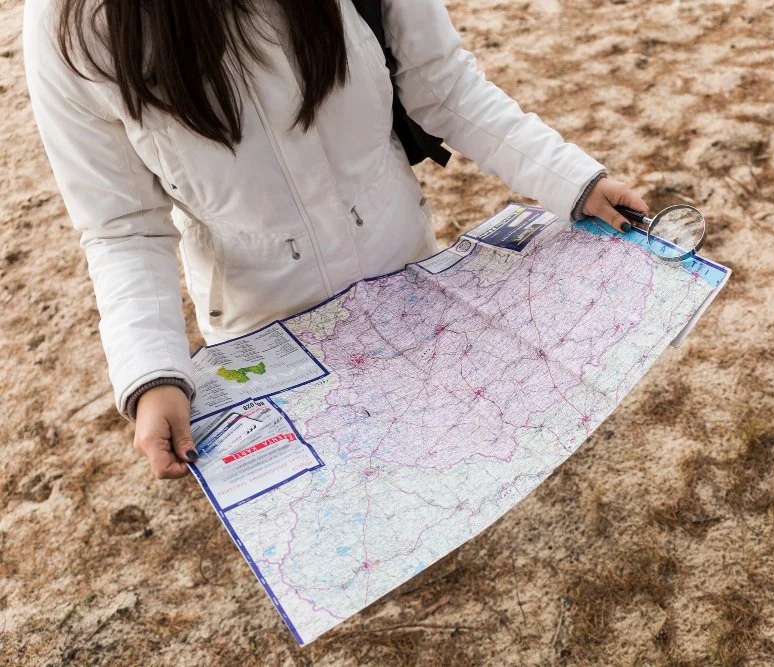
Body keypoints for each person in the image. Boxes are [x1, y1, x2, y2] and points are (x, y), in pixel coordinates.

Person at [23, 0, 649, 481]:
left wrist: (573, 180)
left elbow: (445, 87)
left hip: (407, 275)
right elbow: (123, 224)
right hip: (265, 332)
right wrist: (151, 374)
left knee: (445, 461)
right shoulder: (72, 26)